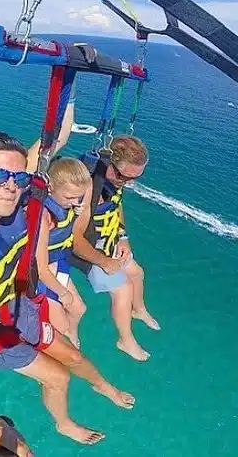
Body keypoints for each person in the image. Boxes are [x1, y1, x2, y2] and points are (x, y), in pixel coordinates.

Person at [0, 131, 135, 455]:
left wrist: (65, 83)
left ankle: (105, 387)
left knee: (73, 355)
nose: (11, 184)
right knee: (59, 377)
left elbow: (54, 137)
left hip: (16, 304)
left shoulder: (21, 200)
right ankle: (64, 423)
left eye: (18, 176)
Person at [70, 135, 160, 362]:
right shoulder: (89, 188)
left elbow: (116, 207)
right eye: (123, 176)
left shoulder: (116, 182)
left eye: (133, 179)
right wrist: (104, 262)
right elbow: (75, 240)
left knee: (137, 273)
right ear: (109, 163)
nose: (127, 182)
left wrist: (123, 236)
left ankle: (138, 310)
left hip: (108, 240)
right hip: (85, 249)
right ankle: (125, 341)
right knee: (123, 289)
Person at [34, 157, 90, 348]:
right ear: (50, 188)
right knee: (59, 325)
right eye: (69, 197)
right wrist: (63, 293)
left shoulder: (68, 207)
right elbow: (40, 269)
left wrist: (75, 211)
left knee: (79, 309)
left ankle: (70, 334)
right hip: (39, 277)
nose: (75, 202)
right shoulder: (43, 217)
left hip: (56, 263)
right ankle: (57, 345)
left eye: (78, 197)